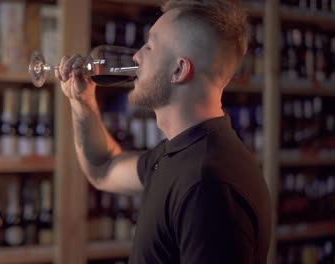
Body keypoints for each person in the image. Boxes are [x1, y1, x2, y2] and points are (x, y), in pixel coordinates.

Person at [55, 0, 271, 263]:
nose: (136, 56)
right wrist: (82, 101)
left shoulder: (209, 185)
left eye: (150, 45)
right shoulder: (180, 151)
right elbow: (103, 168)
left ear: (179, 70)